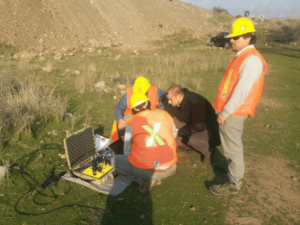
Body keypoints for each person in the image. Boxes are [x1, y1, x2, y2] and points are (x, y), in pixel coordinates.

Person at [210, 17, 267, 195]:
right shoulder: (243, 57)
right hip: (231, 111)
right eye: (231, 37)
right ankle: (233, 176)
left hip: (234, 113)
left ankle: (234, 183)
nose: (231, 40)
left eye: (236, 37)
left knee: (233, 149)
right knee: (231, 147)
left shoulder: (251, 60)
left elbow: (241, 91)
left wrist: (225, 113)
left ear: (249, 37)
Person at [164, 85, 230, 186]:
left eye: (170, 99)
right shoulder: (178, 102)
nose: (169, 102)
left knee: (193, 140)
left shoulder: (195, 101)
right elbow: (166, 112)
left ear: (178, 95)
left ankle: (209, 151)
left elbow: (200, 125)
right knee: (172, 128)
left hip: (210, 130)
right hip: (193, 125)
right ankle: (188, 145)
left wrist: (180, 131)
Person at [113, 92, 178, 193]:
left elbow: (127, 151)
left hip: (146, 171)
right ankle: (154, 177)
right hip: (170, 167)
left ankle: (143, 180)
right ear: (149, 104)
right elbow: (173, 135)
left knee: (115, 160)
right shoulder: (165, 114)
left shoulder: (131, 121)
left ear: (133, 109)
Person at [110, 76, 167, 142]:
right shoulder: (128, 95)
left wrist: (160, 111)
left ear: (147, 88)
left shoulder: (155, 91)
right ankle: (127, 141)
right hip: (132, 117)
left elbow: (166, 99)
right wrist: (120, 119)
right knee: (125, 120)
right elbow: (119, 108)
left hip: (151, 117)